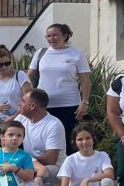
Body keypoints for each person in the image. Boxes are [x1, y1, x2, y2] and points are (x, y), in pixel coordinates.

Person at [27, 24, 91, 153]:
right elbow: (28, 76)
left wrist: (84, 102)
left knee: (69, 140)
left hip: (69, 105)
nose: (52, 38)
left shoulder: (76, 53)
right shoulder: (40, 53)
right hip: (43, 106)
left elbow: (85, 80)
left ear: (65, 35)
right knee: (44, 139)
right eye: (48, 36)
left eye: (55, 35)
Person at [12, 89, 65, 181]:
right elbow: (6, 136)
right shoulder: (21, 118)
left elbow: (50, 159)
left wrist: (23, 161)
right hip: (31, 164)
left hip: (54, 168)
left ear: (32, 106)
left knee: (40, 172)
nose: (19, 104)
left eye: (23, 101)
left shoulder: (53, 125)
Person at [0, 45, 31, 128]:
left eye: (7, 63)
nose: (4, 67)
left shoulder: (20, 76)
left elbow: (29, 100)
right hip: (1, 123)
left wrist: (14, 117)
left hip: (20, 120)